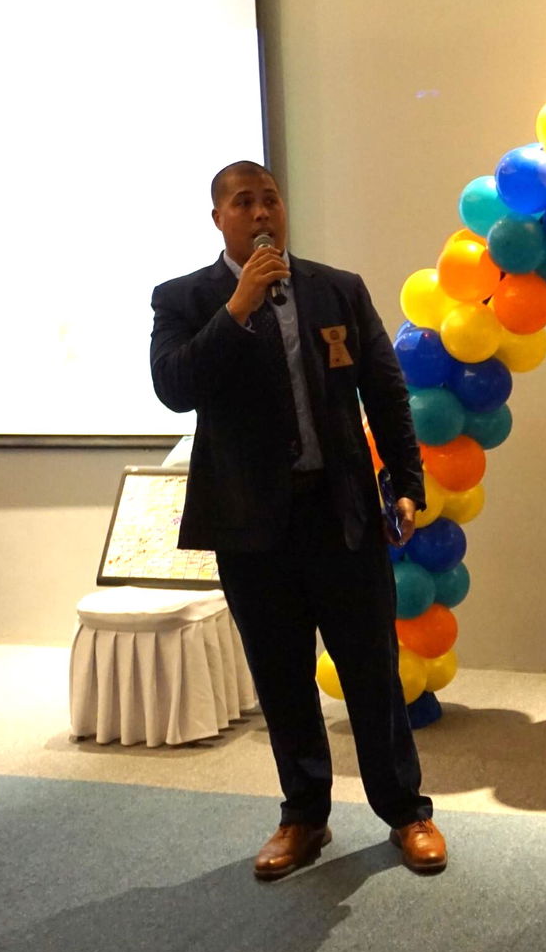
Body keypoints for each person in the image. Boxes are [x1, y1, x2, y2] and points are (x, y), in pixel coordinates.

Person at [150, 160, 446, 879]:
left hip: (340, 512)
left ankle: (406, 812)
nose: (262, 214)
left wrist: (406, 480)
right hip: (252, 526)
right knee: (281, 676)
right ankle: (304, 816)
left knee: (372, 670)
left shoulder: (336, 288)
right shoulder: (185, 299)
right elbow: (175, 388)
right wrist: (238, 309)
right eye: (244, 202)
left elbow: (384, 388)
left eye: (271, 200)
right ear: (218, 217)